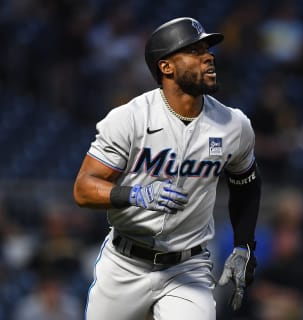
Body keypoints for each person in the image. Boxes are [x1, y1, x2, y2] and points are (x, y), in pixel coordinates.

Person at [73, 17, 261, 320]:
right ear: (166, 67)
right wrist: (135, 194)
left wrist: (243, 246)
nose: (208, 57)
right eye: (195, 51)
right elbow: (83, 188)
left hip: (187, 268)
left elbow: (247, 183)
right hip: (124, 263)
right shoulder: (129, 118)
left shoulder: (233, 124)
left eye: (208, 50)